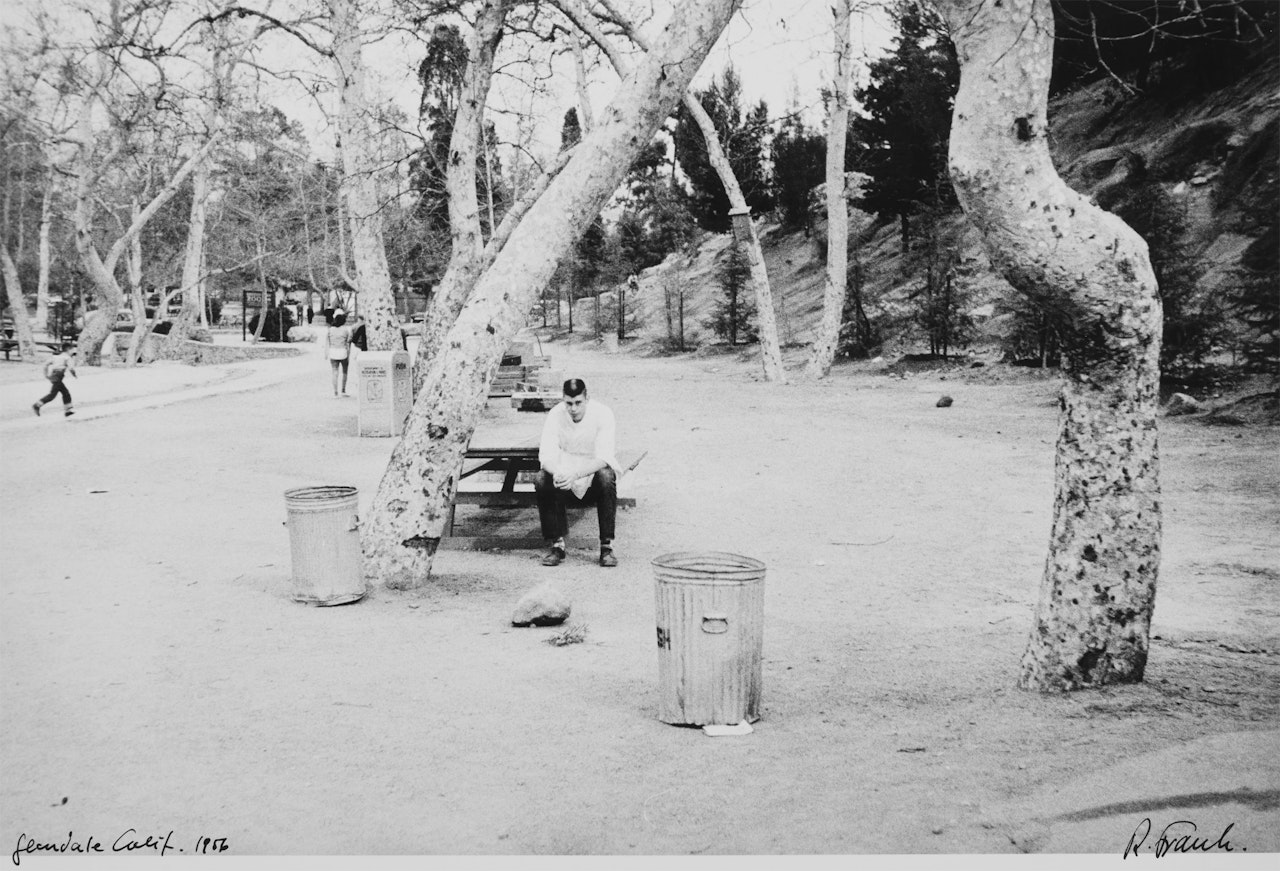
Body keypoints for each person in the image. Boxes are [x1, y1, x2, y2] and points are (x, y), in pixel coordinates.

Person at [535, 378, 620, 567]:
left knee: (607, 476)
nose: (573, 409)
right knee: (541, 478)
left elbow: (605, 457)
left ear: (586, 398)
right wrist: (557, 473)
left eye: (578, 403)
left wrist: (575, 474)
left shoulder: (603, 413)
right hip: (564, 469)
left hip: (591, 471)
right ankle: (556, 545)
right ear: (563, 400)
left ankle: (606, 546)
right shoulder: (556, 414)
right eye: (569, 403)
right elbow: (546, 454)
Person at [33, 344, 77, 417]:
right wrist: (74, 374)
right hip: (58, 376)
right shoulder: (67, 357)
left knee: (65, 393)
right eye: (72, 350)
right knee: (52, 395)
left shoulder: (56, 356)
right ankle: (37, 405)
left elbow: (46, 364)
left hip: (53, 375)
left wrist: (46, 374)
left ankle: (68, 410)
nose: (73, 352)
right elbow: (71, 368)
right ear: (68, 349)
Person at [324, 311, 354, 397]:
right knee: (344, 372)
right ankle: (343, 390)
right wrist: (348, 354)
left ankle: (335, 392)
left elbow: (327, 342)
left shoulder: (330, 330)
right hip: (343, 352)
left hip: (333, 352)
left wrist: (326, 353)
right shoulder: (345, 330)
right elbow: (348, 343)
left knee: (334, 372)